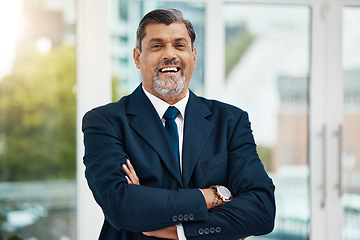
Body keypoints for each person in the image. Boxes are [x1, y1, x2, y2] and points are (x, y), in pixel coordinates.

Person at [82, 8, 275, 240]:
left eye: (179, 45)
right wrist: (216, 196)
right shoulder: (105, 122)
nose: (169, 54)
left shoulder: (231, 121)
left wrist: (180, 230)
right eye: (157, 45)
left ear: (193, 56)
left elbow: (262, 210)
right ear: (137, 57)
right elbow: (122, 206)